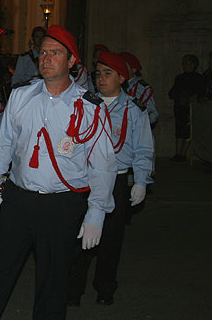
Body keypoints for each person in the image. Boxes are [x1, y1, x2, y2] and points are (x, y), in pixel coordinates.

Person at [0, 25, 116, 320]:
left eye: (56, 53)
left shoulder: (89, 107)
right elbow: (4, 143)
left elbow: (102, 164)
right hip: (19, 199)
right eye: (44, 52)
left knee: (53, 282)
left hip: (61, 204)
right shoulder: (21, 96)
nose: (46, 58)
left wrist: (96, 213)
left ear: (72, 61)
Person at [68, 51, 154, 306]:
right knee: (79, 236)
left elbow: (143, 148)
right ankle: (73, 289)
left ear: (122, 78)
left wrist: (140, 181)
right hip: (86, 180)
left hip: (116, 180)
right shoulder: (86, 105)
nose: (101, 79)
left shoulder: (134, 110)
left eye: (108, 74)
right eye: (98, 74)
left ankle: (105, 287)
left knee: (111, 239)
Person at [168, 54, 205, 161]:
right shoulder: (179, 78)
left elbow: (200, 93)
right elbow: (172, 92)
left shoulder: (198, 78)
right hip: (179, 108)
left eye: (186, 63)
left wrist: (191, 99)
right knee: (179, 130)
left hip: (190, 109)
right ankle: (178, 153)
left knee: (188, 131)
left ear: (193, 65)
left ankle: (183, 154)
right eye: (183, 63)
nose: (184, 65)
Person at [120, 52, 158, 126]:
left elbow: (153, 113)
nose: (120, 69)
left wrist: (139, 122)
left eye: (123, 66)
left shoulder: (142, 89)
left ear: (133, 69)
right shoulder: (114, 84)